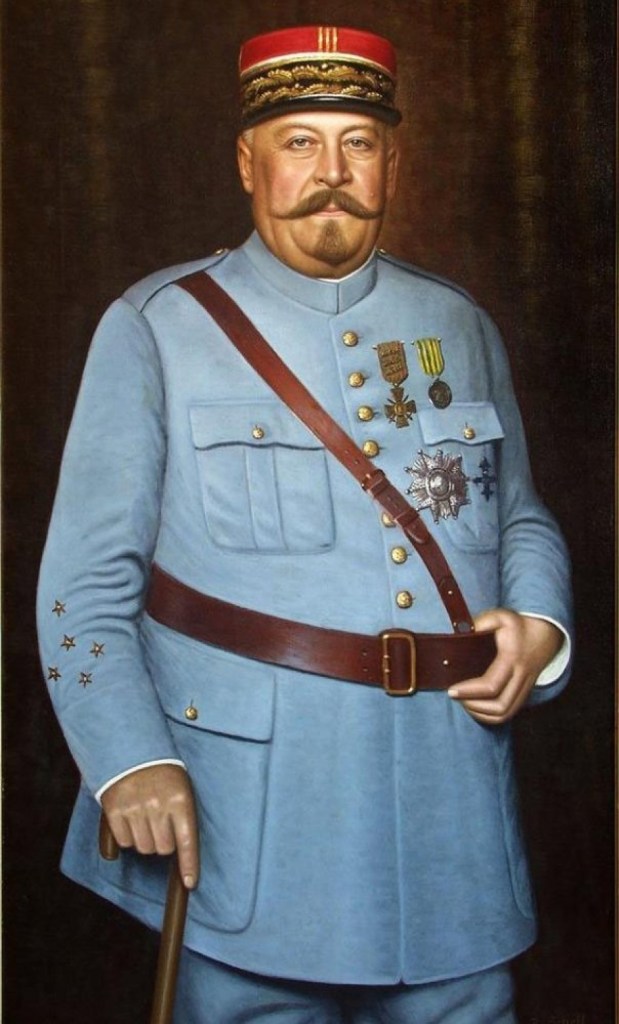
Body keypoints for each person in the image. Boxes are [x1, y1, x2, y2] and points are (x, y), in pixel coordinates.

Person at [37, 24, 572, 1024]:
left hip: (448, 809)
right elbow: (82, 586)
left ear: (392, 164)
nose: (332, 173)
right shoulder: (155, 327)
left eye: (358, 143)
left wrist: (539, 627)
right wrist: (129, 758)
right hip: (253, 818)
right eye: (299, 142)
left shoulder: (458, 323)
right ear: (248, 163)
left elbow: (521, 516)